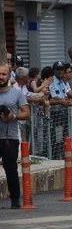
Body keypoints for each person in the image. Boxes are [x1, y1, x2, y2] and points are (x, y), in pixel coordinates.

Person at [0, 63, 31, 209]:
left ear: (9, 75)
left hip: (9, 137)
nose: (1, 77)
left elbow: (26, 113)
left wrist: (13, 116)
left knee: (10, 169)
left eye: (3, 74)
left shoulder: (16, 93)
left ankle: (15, 200)